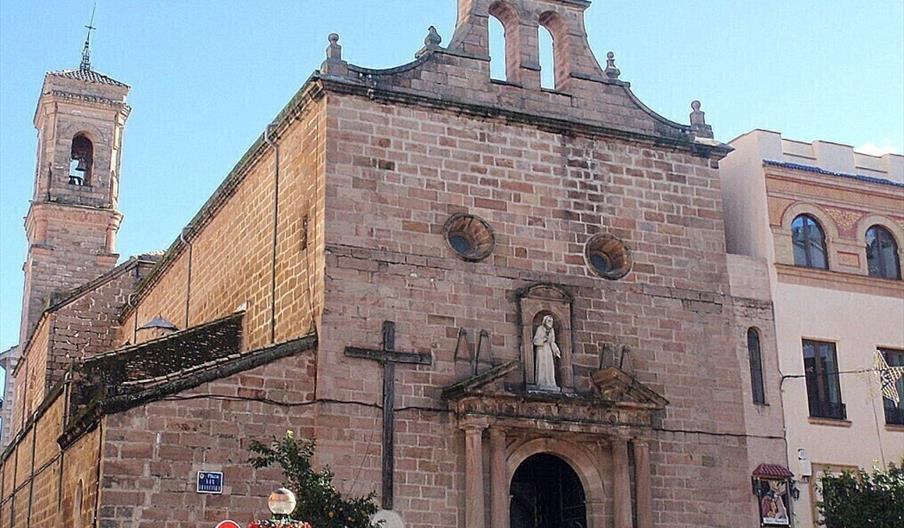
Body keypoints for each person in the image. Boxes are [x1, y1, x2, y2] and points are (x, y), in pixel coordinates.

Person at [533, 315, 561, 388]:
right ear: (545, 321)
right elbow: (535, 340)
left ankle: (550, 382)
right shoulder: (540, 328)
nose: (550, 322)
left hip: (548, 349)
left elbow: (552, 342)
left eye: (551, 321)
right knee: (542, 365)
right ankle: (541, 382)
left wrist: (556, 351)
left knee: (549, 365)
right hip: (541, 349)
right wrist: (543, 340)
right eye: (549, 321)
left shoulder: (552, 330)